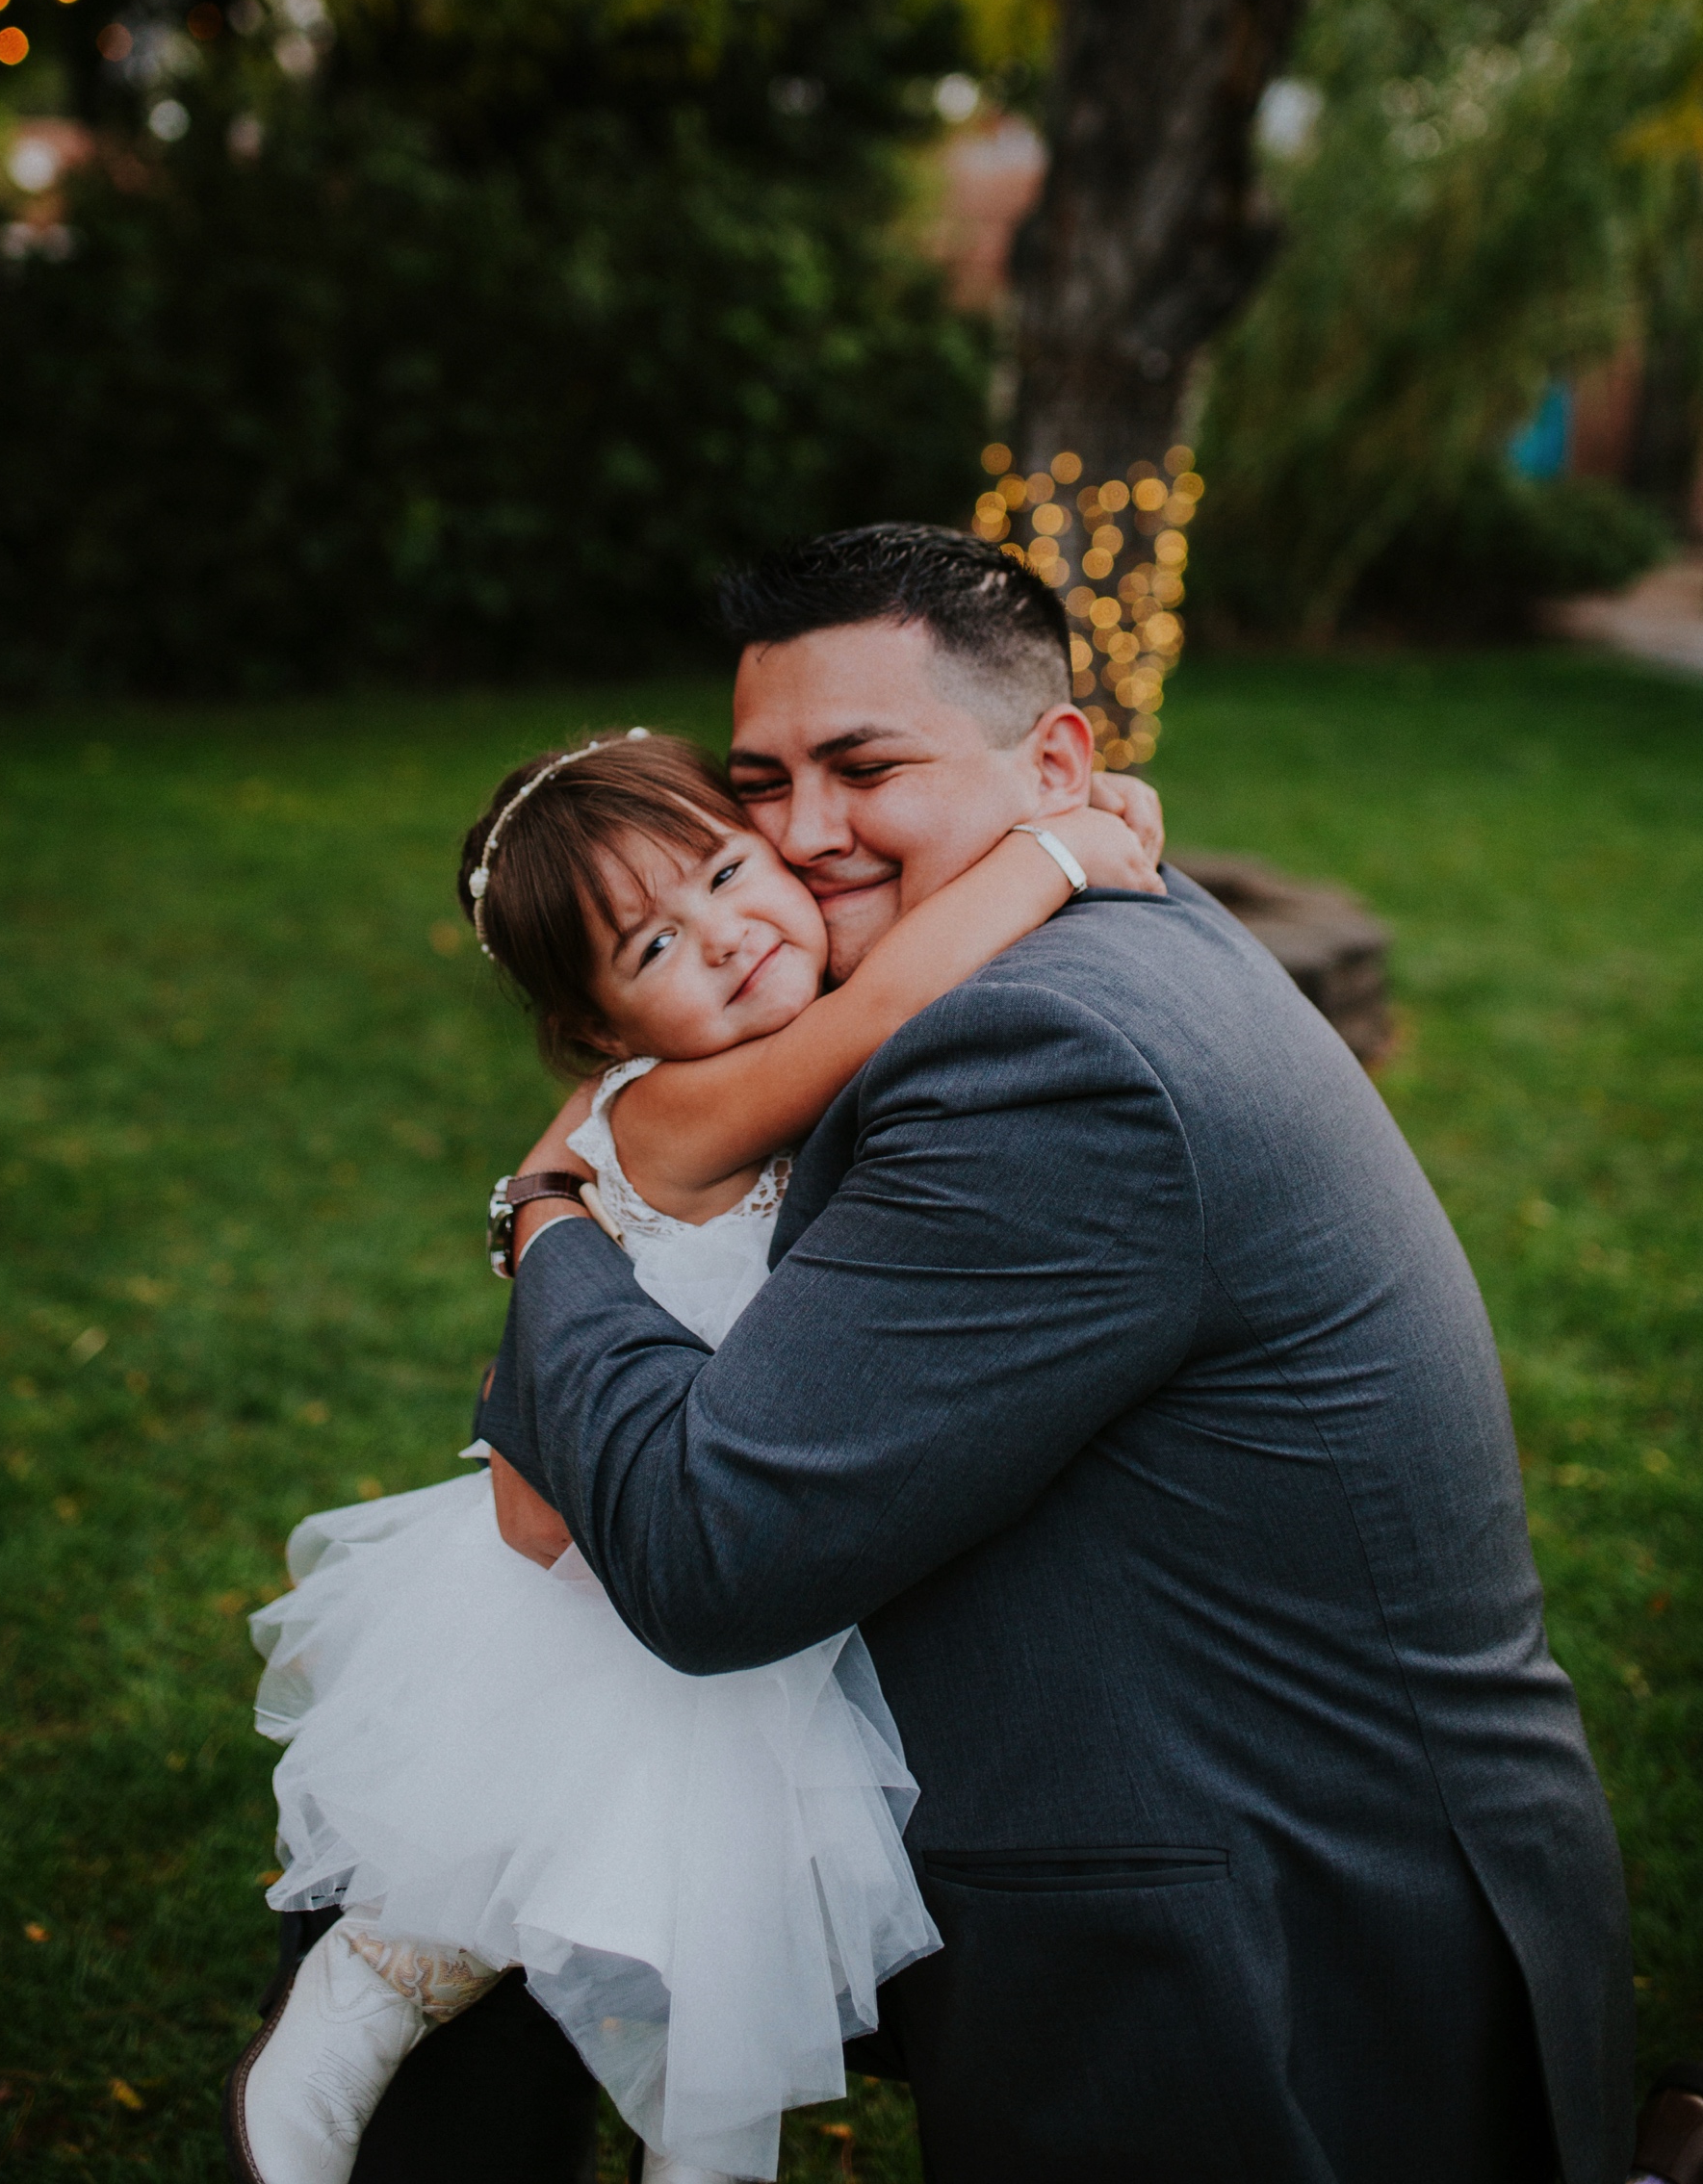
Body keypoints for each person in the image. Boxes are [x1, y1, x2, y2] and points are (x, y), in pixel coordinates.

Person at [479, 523, 1635, 2184]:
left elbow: (704, 1551)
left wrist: (550, 1215)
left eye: (864, 767)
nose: (802, 839)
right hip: (1218, 1844)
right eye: (761, 783)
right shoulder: (1050, 943)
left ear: (1059, 761)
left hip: (1273, 1964)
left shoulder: (1046, 1059)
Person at [223, 723, 1160, 2184]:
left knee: (707, 1942)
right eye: (655, 946)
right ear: (606, 1032)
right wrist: (1061, 851)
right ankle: (347, 2020)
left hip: (723, 1552)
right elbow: (898, 996)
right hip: (604, 1589)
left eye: (728, 872)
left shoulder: (705, 1067)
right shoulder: (672, 1107)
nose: (726, 938)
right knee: (540, 1872)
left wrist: (1054, 803)